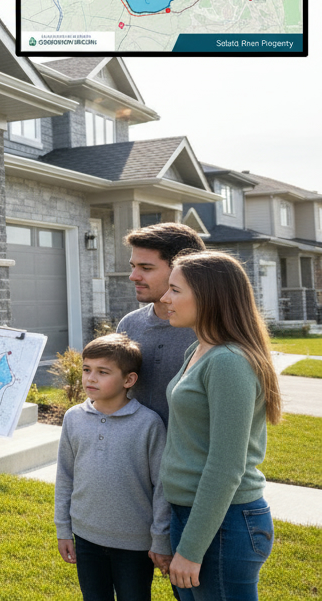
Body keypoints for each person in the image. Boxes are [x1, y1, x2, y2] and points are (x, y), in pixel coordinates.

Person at [160, 251, 283, 599]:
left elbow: (226, 465)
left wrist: (191, 549)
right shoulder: (199, 350)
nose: (165, 299)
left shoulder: (229, 362)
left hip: (227, 521)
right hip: (193, 512)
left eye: (175, 290)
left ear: (209, 296)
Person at [55, 333, 171, 601]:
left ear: (128, 380)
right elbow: (65, 477)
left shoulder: (148, 424)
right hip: (86, 537)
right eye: (86, 369)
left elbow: (162, 487)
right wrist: (64, 529)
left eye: (102, 372)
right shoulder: (73, 418)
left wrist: (160, 538)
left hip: (135, 543)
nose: (90, 378)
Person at [117, 223, 206, 426]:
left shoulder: (210, 332)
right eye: (133, 266)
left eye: (146, 268)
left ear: (184, 270)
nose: (133, 276)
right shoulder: (129, 324)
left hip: (188, 456)